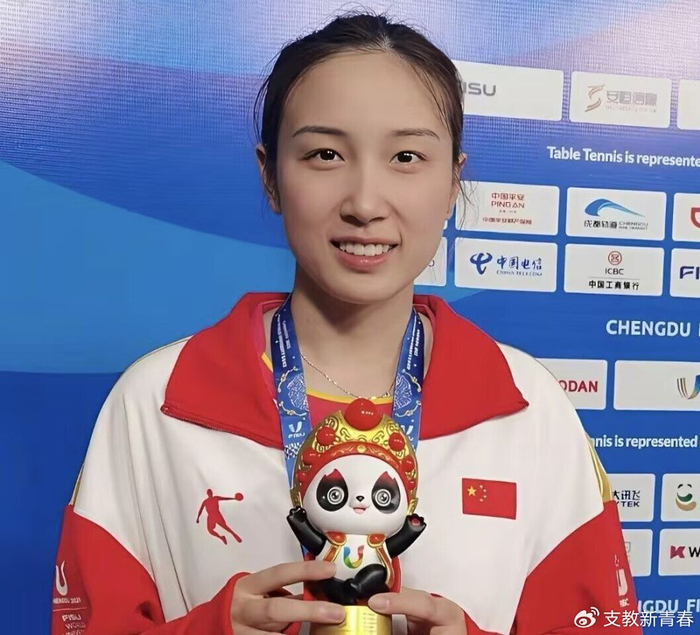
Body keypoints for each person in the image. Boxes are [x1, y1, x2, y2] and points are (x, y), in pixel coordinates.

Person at [51, 11, 641, 635]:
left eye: (406, 156)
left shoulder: (529, 410)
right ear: (270, 177)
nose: (364, 203)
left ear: (453, 183)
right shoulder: (155, 403)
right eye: (325, 154)